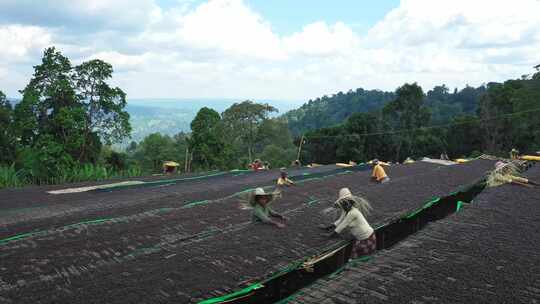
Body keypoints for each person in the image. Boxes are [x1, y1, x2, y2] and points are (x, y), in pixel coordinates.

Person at [324, 188, 376, 258]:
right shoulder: (346, 210)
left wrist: (331, 235)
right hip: (361, 238)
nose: (344, 205)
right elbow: (340, 220)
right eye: (343, 203)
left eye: (346, 203)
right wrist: (328, 227)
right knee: (358, 256)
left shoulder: (353, 212)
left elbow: (343, 225)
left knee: (357, 258)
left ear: (350, 203)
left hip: (366, 238)